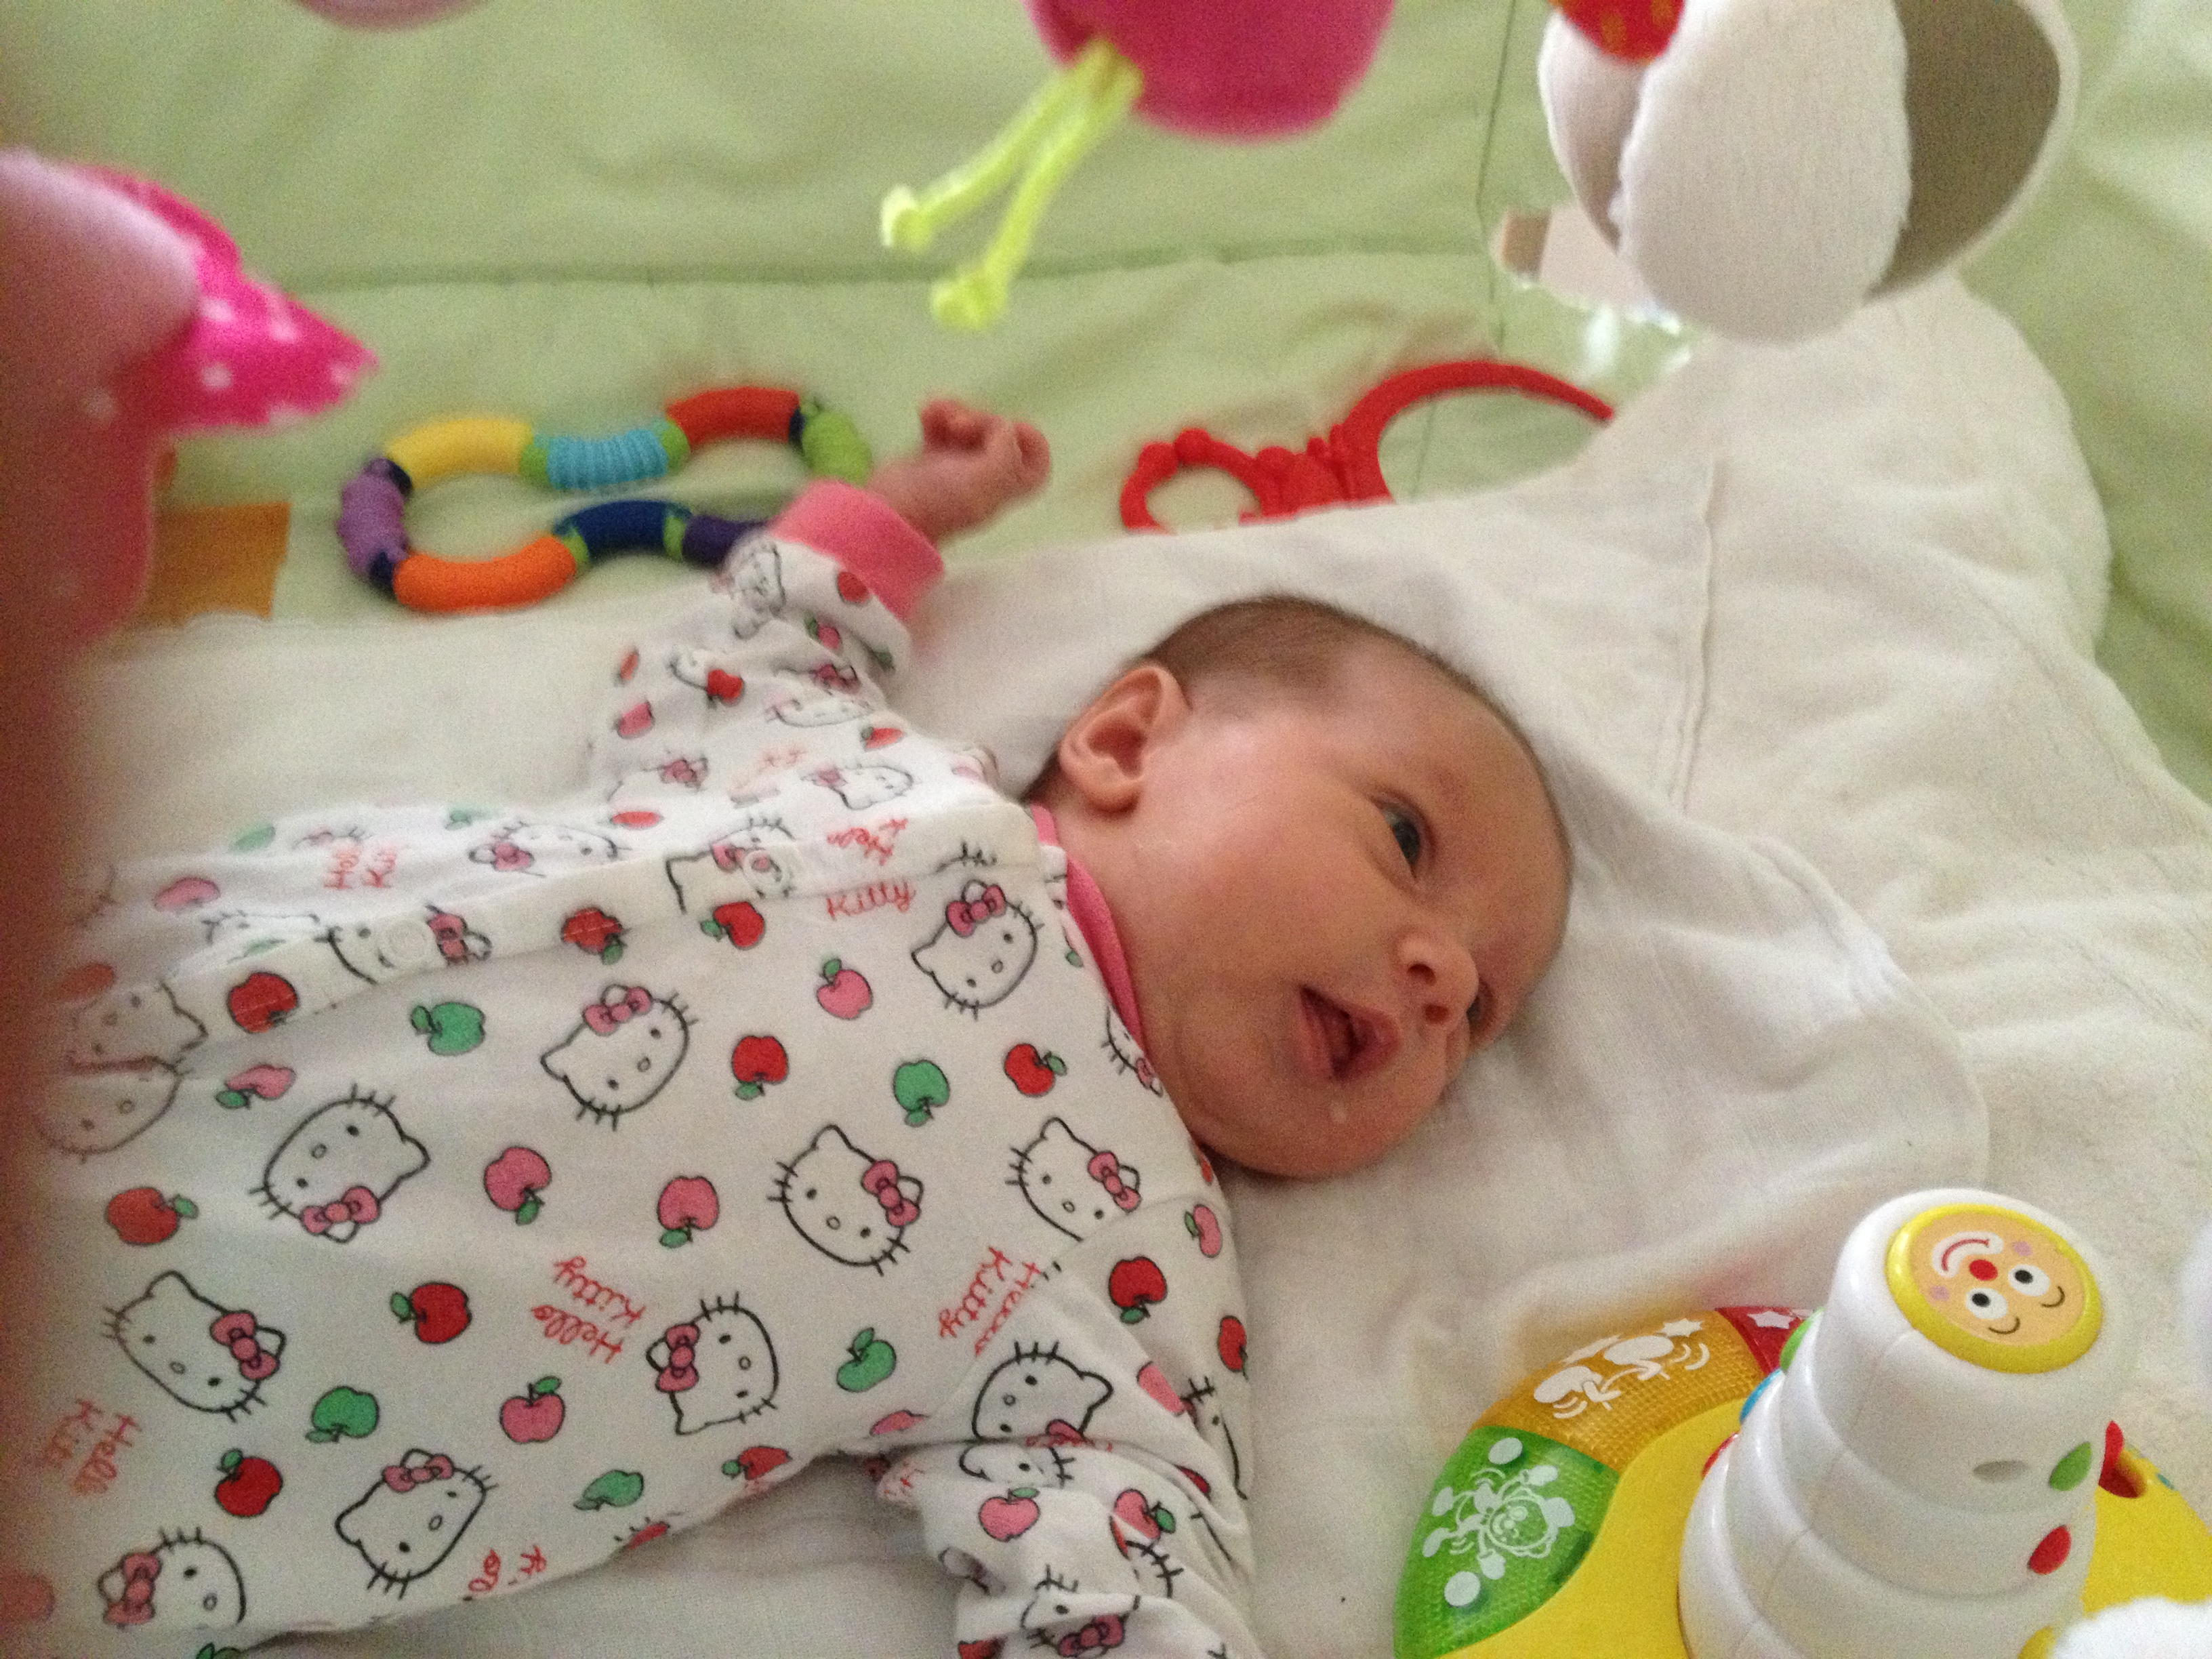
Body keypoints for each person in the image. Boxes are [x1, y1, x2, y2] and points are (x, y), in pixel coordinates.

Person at [12, 401, 1570, 1656]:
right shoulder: (857, 763)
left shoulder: (1129, 1262)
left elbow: (1121, 1564)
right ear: (1122, 739)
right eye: (1405, 838)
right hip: (129, 960)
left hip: (172, 1382)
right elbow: (744, 649)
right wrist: (898, 515)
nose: (1441, 976)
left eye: (1483, 1014)